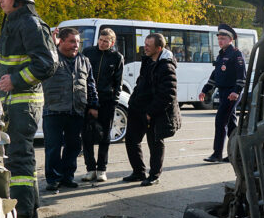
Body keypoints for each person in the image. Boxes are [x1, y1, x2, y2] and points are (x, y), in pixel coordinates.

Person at [0, 0, 58, 218]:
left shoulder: (29, 22)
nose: (0, 1)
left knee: (19, 161)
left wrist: (15, 80)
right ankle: (31, 210)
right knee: (21, 158)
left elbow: (47, 64)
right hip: (15, 102)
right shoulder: (13, 22)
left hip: (24, 102)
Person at [42, 27, 99, 191]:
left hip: (76, 110)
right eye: (72, 41)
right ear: (61, 41)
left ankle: (68, 177)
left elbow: (90, 84)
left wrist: (93, 105)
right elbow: (39, 60)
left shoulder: (84, 60)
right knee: (53, 147)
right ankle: (53, 179)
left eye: (78, 42)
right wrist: (50, 45)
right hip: (53, 109)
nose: (76, 45)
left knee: (73, 146)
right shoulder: (51, 57)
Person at [123, 33, 180, 186]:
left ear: (159, 48)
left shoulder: (166, 66)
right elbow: (141, 83)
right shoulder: (148, 61)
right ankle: (138, 172)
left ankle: (154, 175)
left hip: (153, 113)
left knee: (155, 144)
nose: (145, 47)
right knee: (131, 141)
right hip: (137, 109)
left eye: (149, 45)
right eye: (145, 44)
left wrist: (151, 112)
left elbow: (168, 94)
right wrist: (133, 101)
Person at [199, 23, 246, 163]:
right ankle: (236, 153)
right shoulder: (221, 55)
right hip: (223, 91)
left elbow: (241, 76)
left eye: (223, 39)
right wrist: (205, 90)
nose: (220, 41)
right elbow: (215, 75)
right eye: (219, 38)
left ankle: (217, 154)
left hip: (231, 93)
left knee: (220, 121)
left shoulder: (236, 54)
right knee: (231, 124)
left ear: (230, 40)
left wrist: (236, 92)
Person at [81, 28, 124, 182]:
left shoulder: (117, 57)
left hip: (107, 102)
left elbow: (118, 83)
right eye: (100, 40)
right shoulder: (88, 52)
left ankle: (102, 169)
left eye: (106, 41)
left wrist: (114, 101)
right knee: (86, 136)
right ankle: (90, 169)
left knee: (105, 137)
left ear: (112, 43)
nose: (102, 43)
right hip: (87, 100)